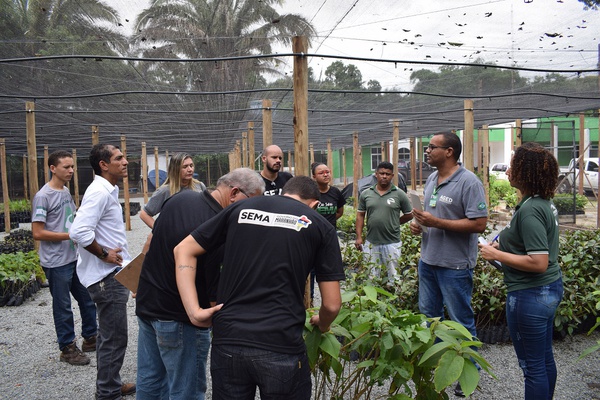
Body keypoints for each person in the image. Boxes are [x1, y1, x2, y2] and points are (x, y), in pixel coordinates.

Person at [174, 176, 345, 400]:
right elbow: (332, 305)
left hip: (230, 341)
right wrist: (322, 324)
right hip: (281, 344)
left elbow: (183, 249)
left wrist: (194, 311)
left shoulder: (241, 208)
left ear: (284, 192)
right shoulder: (320, 224)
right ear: (314, 203)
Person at [135, 168, 264, 400]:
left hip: (148, 305)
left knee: (150, 380)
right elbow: (213, 286)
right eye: (252, 203)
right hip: (180, 319)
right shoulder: (216, 227)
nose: (251, 211)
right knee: (187, 389)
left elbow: (153, 242)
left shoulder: (180, 198)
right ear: (234, 192)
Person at [479, 142, 562, 400]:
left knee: (532, 367)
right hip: (547, 291)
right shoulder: (540, 202)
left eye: (513, 166)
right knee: (544, 359)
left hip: (530, 295)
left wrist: (495, 254)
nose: (507, 171)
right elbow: (534, 242)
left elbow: (538, 262)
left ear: (526, 171)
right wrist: (505, 241)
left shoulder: (529, 210)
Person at [410, 132, 487, 397]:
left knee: (461, 320)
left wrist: (437, 223)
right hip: (428, 261)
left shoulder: (469, 182)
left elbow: (479, 223)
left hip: (454, 265)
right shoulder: (432, 178)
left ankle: (469, 373)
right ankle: (442, 366)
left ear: (450, 152)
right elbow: (432, 215)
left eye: (432, 147)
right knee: (430, 318)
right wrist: (418, 225)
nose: (428, 151)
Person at [70, 143, 136, 399]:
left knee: (113, 336)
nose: (126, 162)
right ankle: (108, 392)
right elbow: (78, 232)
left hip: (109, 276)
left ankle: (111, 382)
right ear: (103, 165)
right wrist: (104, 254)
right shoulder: (98, 191)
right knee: (114, 337)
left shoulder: (107, 189)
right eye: (119, 158)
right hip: (105, 279)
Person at [31, 150, 97, 366]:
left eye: (72, 167)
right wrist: (70, 235)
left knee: (87, 299)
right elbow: (37, 232)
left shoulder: (65, 191)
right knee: (63, 306)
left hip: (72, 257)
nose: (71, 170)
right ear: (53, 168)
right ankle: (67, 348)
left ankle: (91, 338)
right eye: (66, 167)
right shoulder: (43, 196)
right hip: (56, 261)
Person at [355, 161, 413, 283]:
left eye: (388, 174)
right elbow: (360, 215)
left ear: (392, 176)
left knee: (394, 276)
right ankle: (374, 302)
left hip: (392, 242)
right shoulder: (366, 194)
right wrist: (359, 237)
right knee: (371, 276)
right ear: (376, 174)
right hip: (371, 242)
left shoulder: (399, 194)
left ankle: (395, 300)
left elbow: (409, 214)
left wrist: (395, 222)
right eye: (381, 173)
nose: (384, 176)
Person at [140, 153, 206, 228]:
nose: (190, 169)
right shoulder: (165, 191)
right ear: (175, 169)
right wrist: (159, 230)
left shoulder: (200, 186)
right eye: (185, 167)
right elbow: (144, 214)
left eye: (191, 166)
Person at [311, 162, 346, 227]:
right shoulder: (309, 193)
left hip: (330, 231)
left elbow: (340, 212)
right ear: (314, 177)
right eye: (321, 173)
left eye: (327, 172)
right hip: (314, 231)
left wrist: (328, 222)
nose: (325, 175)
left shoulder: (335, 192)